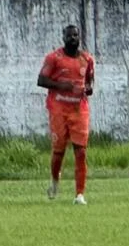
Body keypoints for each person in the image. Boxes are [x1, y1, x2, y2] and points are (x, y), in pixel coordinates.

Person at [37, 24, 95, 204]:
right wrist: (62, 86)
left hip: (79, 110)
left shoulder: (87, 59)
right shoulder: (54, 58)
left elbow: (90, 82)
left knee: (81, 151)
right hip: (58, 109)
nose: (73, 38)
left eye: (75, 35)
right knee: (58, 152)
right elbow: (41, 80)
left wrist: (87, 89)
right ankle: (55, 180)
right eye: (69, 36)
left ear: (79, 37)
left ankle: (79, 194)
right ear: (63, 38)